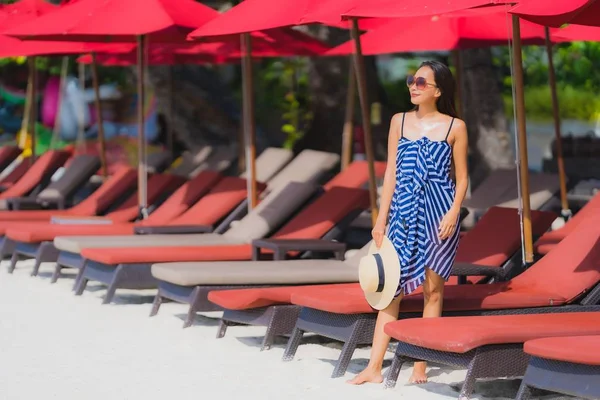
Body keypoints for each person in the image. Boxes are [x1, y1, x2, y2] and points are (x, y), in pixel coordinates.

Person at [348, 60, 469, 385]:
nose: (413, 86)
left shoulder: (454, 126)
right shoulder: (398, 121)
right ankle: (374, 367)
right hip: (403, 212)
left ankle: (420, 365)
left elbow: (462, 178)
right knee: (390, 289)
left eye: (420, 82)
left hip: (440, 214)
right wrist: (380, 217)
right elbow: (391, 173)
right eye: (410, 80)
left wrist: (453, 212)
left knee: (432, 291)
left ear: (438, 90)